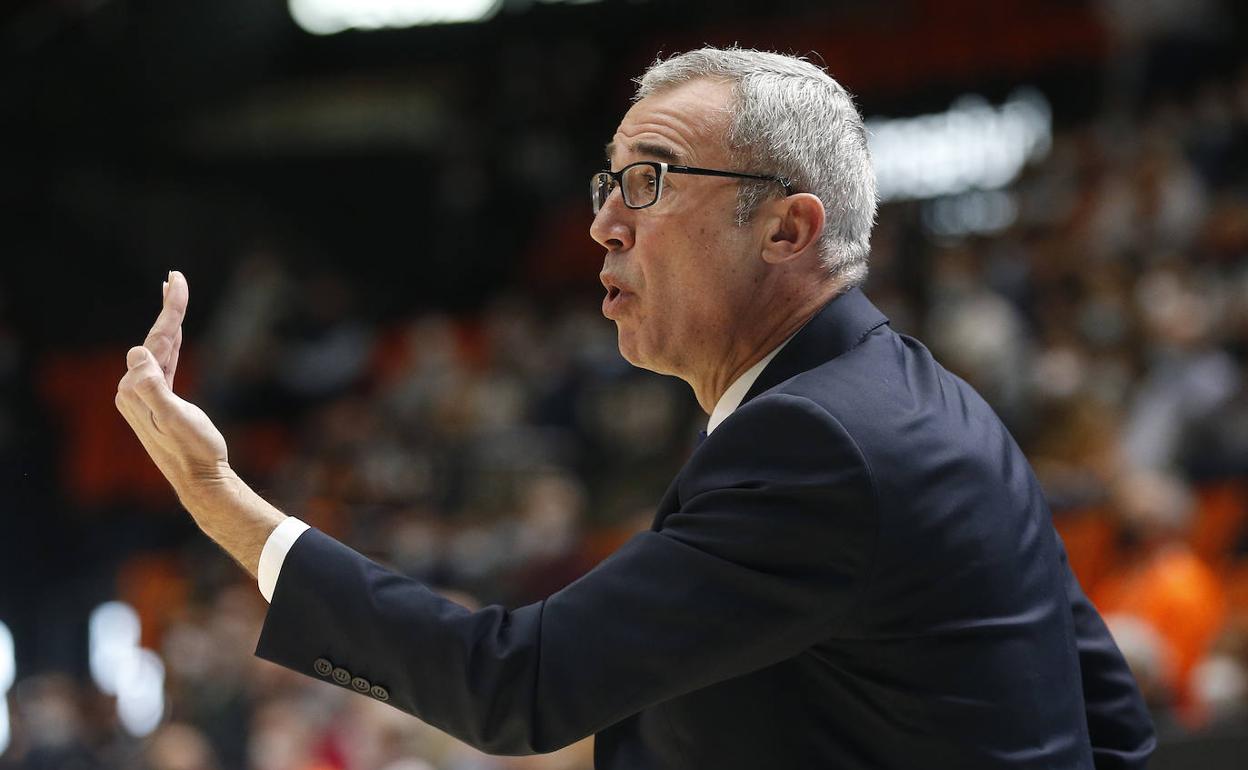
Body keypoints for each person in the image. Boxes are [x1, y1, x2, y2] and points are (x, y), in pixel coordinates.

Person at [115, 47, 1155, 769]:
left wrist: (219, 499)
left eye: (651, 180)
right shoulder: (925, 402)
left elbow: (514, 684)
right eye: (607, 181)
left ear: (789, 228)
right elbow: (1107, 719)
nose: (605, 223)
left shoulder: (821, 441)